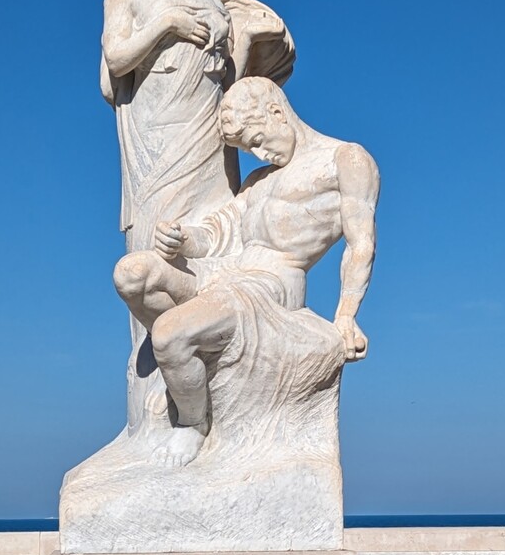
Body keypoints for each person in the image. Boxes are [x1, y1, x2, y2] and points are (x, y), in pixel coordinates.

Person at [112, 76, 379, 466]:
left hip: (271, 284)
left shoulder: (344, 160)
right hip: (224, 273)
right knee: (132, 274)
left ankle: (193, 423)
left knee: (168, 334)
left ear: (277, 113)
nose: (259, 153)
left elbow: (362, 243)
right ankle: (189, 361)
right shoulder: (259, 180)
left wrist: (346, 317)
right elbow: (221, 232)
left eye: (256, 141)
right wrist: (183, 239)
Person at [101, 0, 294, 254]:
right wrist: (168, 22)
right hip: (158, 130)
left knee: (218, 243)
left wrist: (247, 37)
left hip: (209, 132)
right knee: (155, 245)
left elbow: (228, 87)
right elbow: (116, 59)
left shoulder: (216, 0)